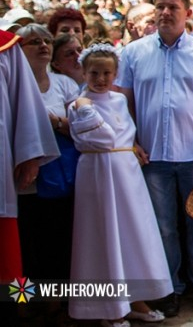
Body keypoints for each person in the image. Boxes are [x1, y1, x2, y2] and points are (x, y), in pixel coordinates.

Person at [116, 0, 193, 316]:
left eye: (172, 7)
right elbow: (124, 100)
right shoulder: (133, 53)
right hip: (152, 157)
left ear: (187, 13)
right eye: (160, 7)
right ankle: (170, 288)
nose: (165, 13)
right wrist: (130, 141)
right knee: (163, 226)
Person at [68, 44, 172, 326]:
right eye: (94, 73)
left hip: (126, 174)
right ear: (84, 72)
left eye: (107, 73)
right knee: (104, 236)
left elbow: (124, 133)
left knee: (131, 234)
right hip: (99, 172)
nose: (101, 79)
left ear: (115, 74)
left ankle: (135, 297)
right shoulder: (80, 104)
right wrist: (85, 107)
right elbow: (103, 139)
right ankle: (108, 308)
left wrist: (133, 147)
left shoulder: (117, 100)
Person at [15, 24, 80, 301]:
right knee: (27, 245)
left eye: (46, 41)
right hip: (24, 182)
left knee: (59, 241)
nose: (42, 46)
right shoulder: (12, 85)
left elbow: (78, 127)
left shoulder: (64, 84)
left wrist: (51, 121)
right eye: (34, 42)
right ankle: (24, 301)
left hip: (60, 177)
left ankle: (58, 302)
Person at [0, 25, 58, 299]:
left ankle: (18, 307)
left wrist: (31, 155)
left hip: (4, 168)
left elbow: (24, 100)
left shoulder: (7, 47)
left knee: (23, 247)